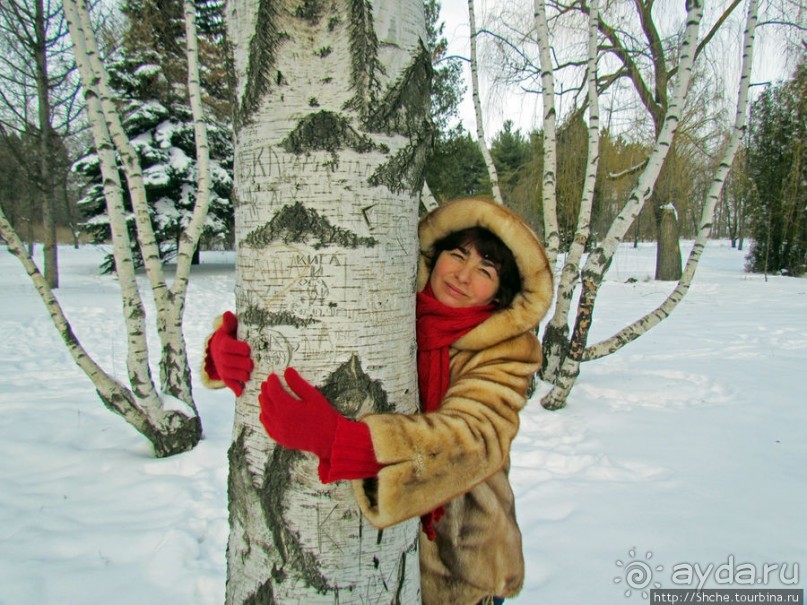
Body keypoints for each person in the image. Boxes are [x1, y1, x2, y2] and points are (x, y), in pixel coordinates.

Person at [203, 197, 554, 604]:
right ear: (434, 257)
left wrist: (342, 441)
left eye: (485, 271)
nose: (462, 274)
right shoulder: (392, 305)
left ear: (499, 293)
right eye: (457, 255)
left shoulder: (506, 350)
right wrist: (237, 354)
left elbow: (476, 438)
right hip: (365, 556)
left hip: (460, 557)